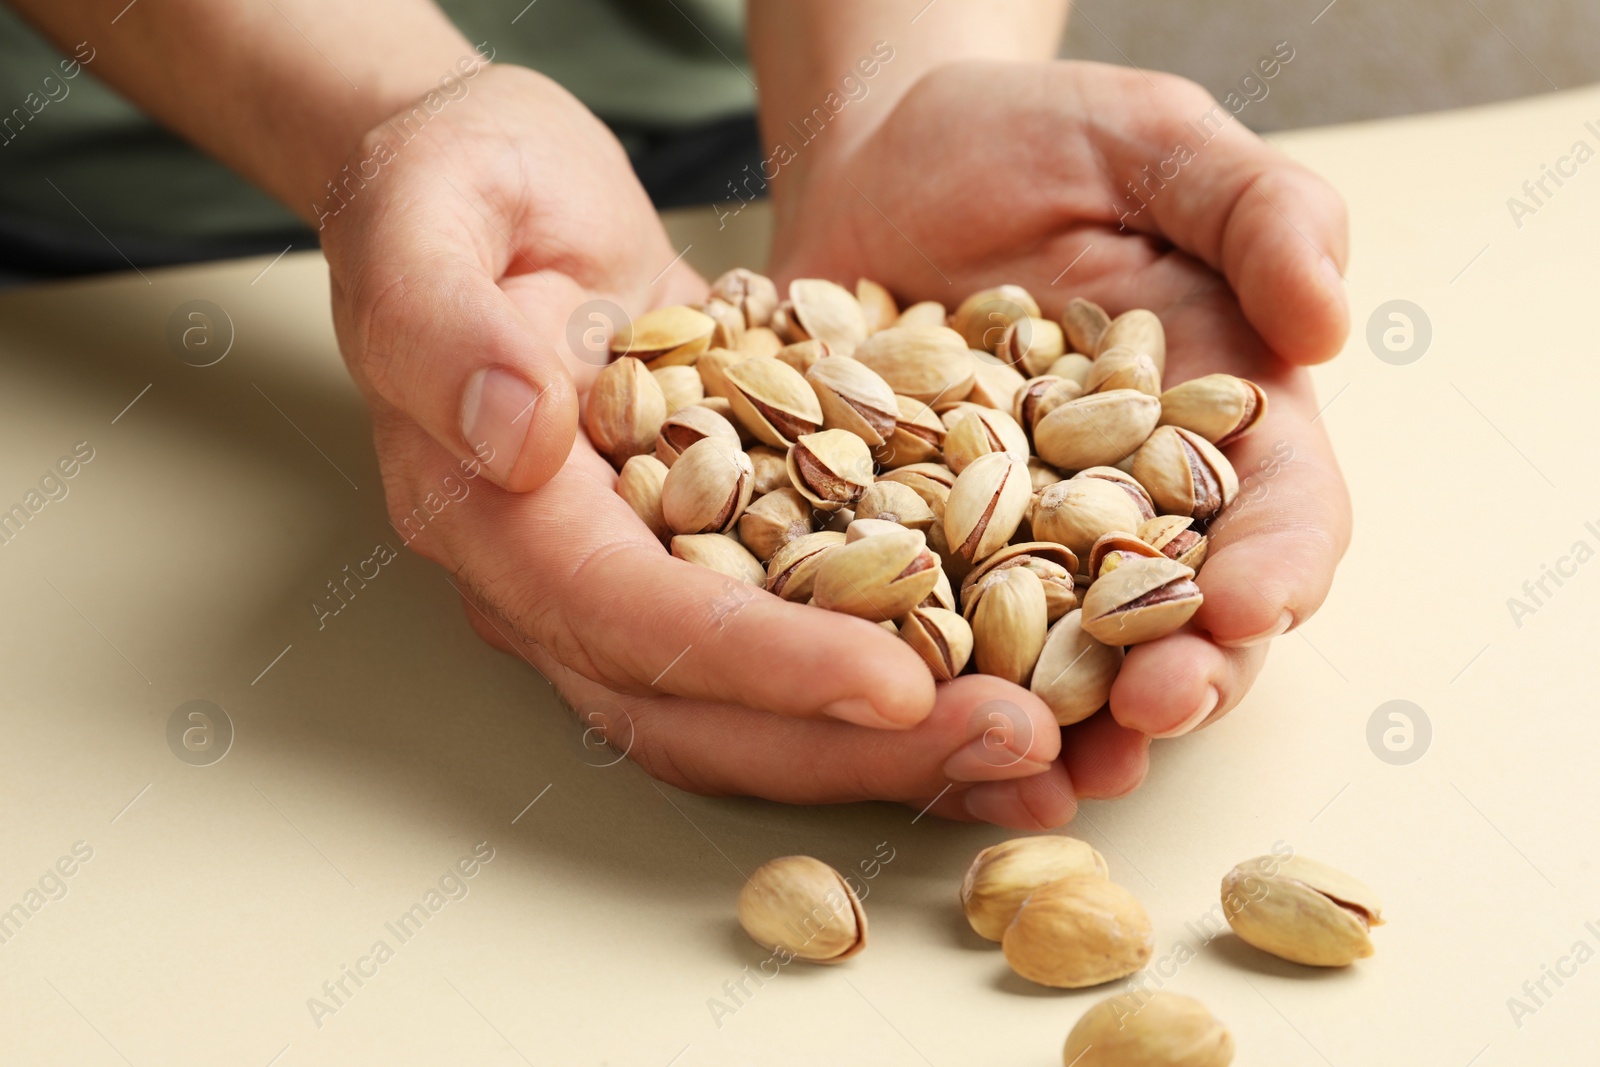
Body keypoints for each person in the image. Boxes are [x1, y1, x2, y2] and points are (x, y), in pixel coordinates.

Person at [1, 1, 1352, 828]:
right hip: (101, 207)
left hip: (723, 125)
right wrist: (395, 115)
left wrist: (889, 96)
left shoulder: (885, 397)